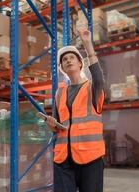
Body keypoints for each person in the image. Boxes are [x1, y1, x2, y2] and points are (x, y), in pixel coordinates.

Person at [46, 29, 105, 192]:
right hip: (63, 159)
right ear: (62, 68)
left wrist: (87, 45)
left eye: (72, 57)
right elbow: (57, 124)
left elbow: (98, 76)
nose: (68, 60)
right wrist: (52, 125)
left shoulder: (93, 88)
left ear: (80, 63)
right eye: (64, 59)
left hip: (90, 158)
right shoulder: (60, 92)